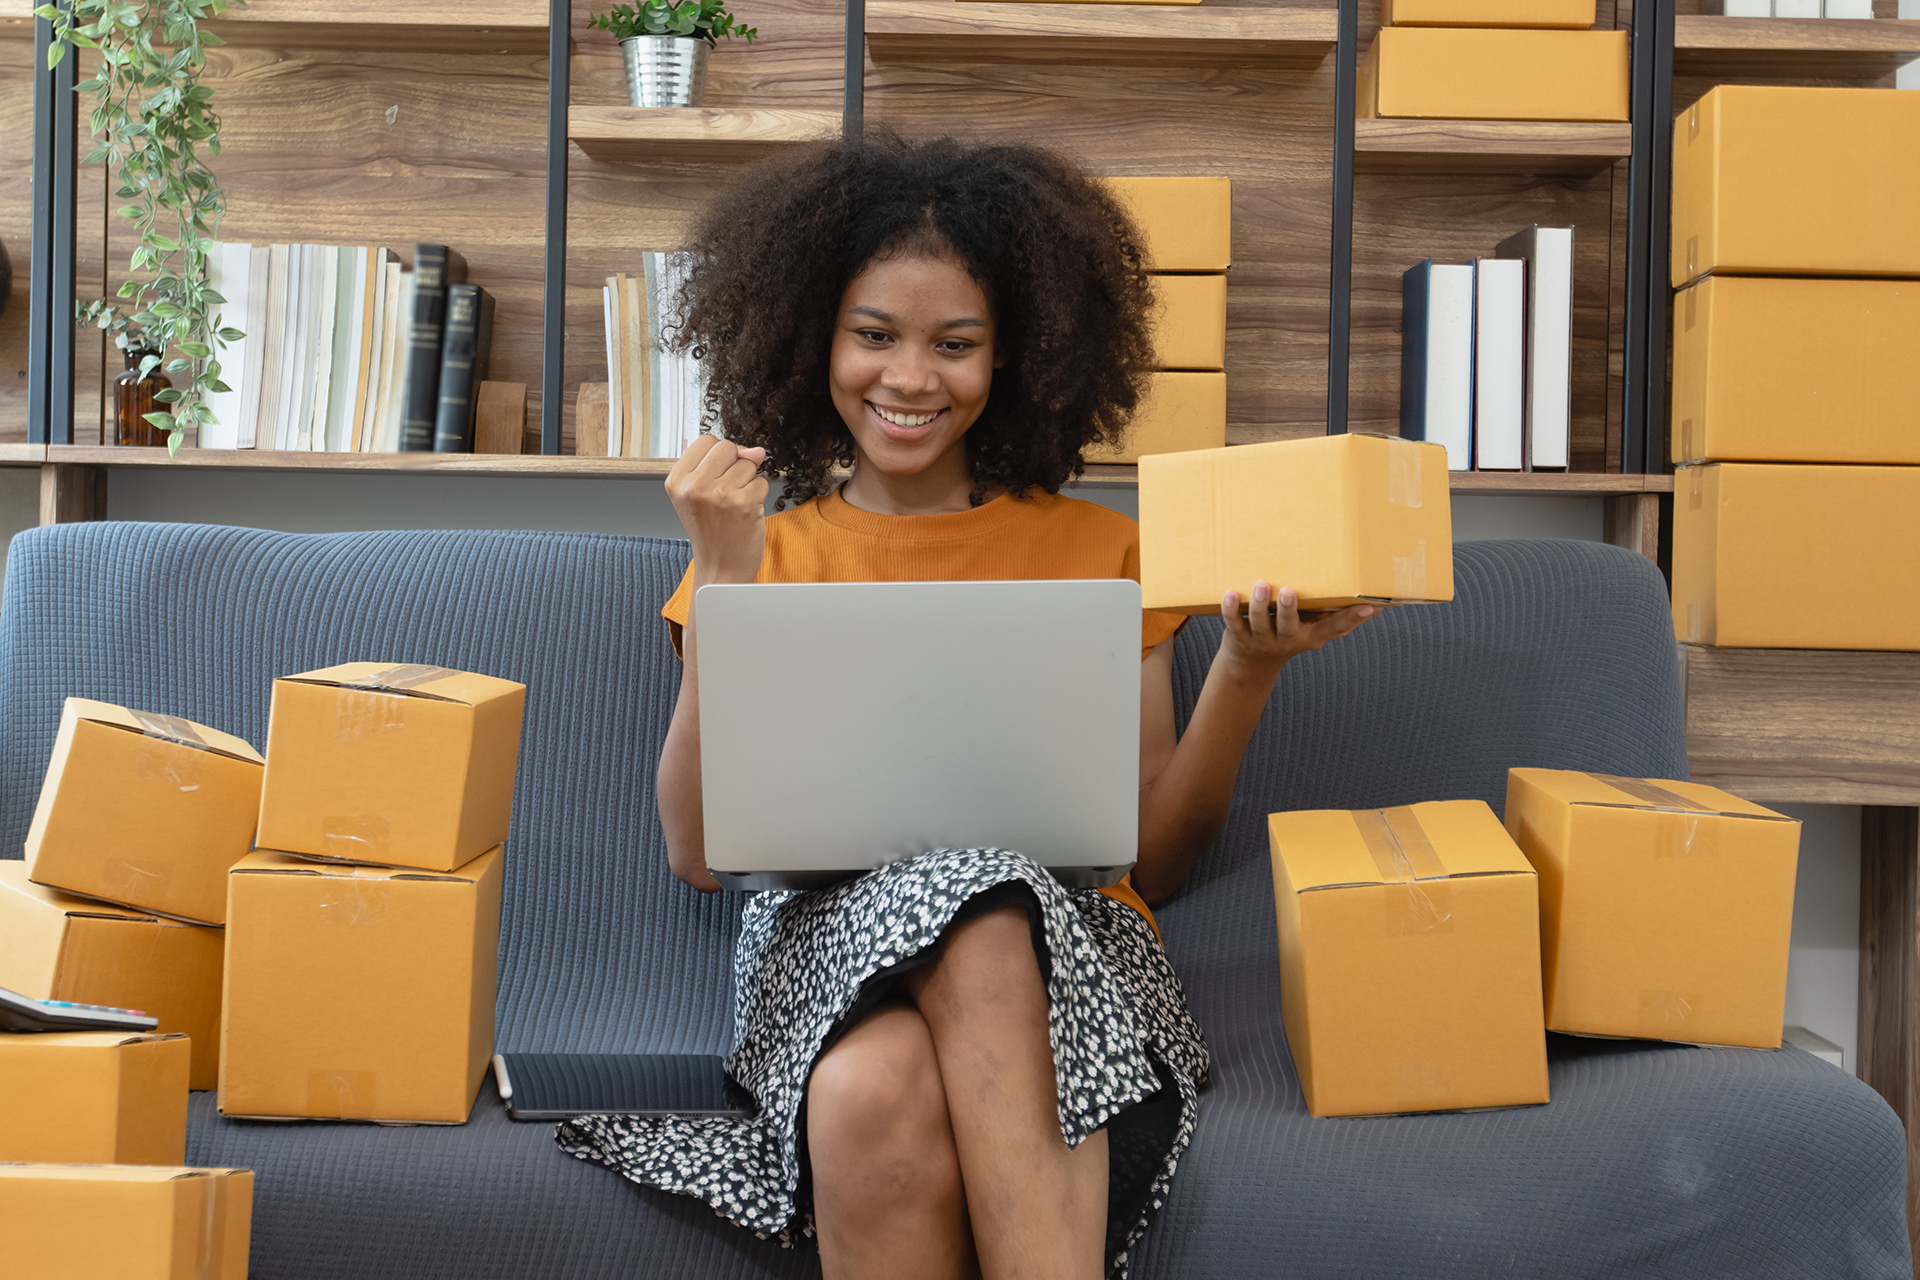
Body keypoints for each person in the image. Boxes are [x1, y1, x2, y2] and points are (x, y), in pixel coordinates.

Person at [556, 134, 1375, 1280]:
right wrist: (726, 579)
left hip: (1067, 959)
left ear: (1016, 356)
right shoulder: (756, 552)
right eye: (873, 335)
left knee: (886, 1057)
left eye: (956, 344)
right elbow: (696, 851)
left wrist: (1245, 669)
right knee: (922, 976)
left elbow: (1153, 858)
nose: (908, 378)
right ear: (812, 340)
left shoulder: (1100, 548)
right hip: (819, 947)